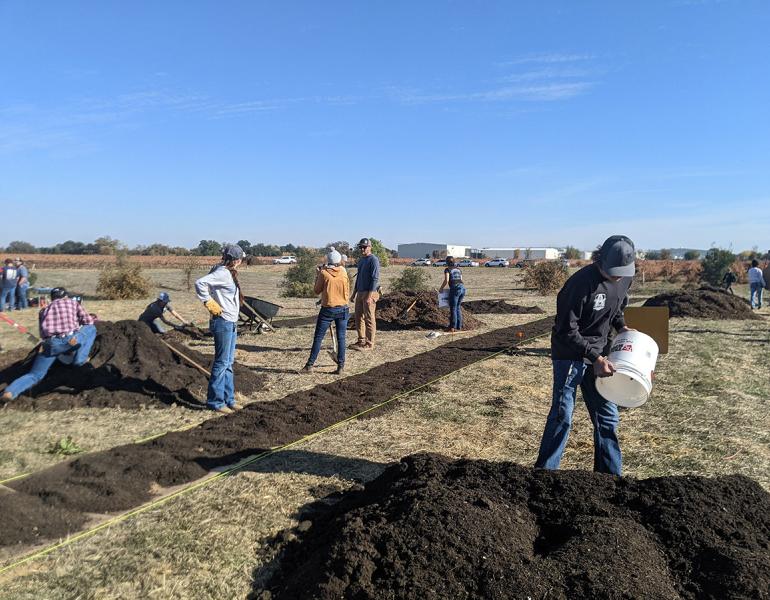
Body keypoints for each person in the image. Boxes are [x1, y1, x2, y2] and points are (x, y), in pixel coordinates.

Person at [534, 235, 637, 476]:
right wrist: (595, 357)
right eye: (614, 271)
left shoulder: (625, 278)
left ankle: (609, 476)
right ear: (600, 260)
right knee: (563, 415)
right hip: (570, 354)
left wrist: (621, 327)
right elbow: (566, 330)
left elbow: (617, 308)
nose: (619, 276)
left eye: (624, 271)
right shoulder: (579, 284)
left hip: (600, 353)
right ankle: (545, 473)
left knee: (607, 418)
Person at [1, 288, 97, 401]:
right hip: (71, 340)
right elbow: (88, 321)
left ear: (52, 298)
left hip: (49, 345)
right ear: (65, 296)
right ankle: (80, 360)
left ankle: (10, 391)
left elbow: (42, 334)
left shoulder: (43, 310)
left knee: (35, 375)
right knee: (91, 328)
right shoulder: (72, 302)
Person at [195, 243, 244, 414]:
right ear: (236, 260)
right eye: (240, 259)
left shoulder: (227, 272)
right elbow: (200, 283)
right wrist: (208, 301)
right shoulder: (222, 273)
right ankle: (215, 402)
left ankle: (229, 399)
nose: (241, 262)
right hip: (222, 321)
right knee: (222, 362)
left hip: (231, 321)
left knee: (229, 362)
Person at [301, 247, 350, 375]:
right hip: (343, 309)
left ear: (327, 260)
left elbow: (316, 290)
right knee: (342, 338)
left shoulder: (324, 273)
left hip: (328, 309)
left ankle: (309, 365)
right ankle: (341, 366)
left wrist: (318, 275)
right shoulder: (344, 272)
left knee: (318, 338)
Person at [350, 238, 380, 351]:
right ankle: (361, 340)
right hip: (360, 292)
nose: (362, 249)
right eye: (361, 247)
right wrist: (354, 294)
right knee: (358, 318)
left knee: (369, 318)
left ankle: (369, 343)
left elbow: (375, 278)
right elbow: (358, 278)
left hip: (369, 293)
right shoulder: (361, 260)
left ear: (370, 247)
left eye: (365, 247)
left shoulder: (373, 260)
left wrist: (369, 296)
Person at [439, 256, 466, 332]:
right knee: (458, 307)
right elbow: (461, 280)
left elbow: (446, 280)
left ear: (447, 262)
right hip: (463, 289)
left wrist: (441, 288)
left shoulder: (447, 270)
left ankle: (452, 327)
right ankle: (459, 327)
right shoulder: (458, 269)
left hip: (455, 289)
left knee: (453, 308)